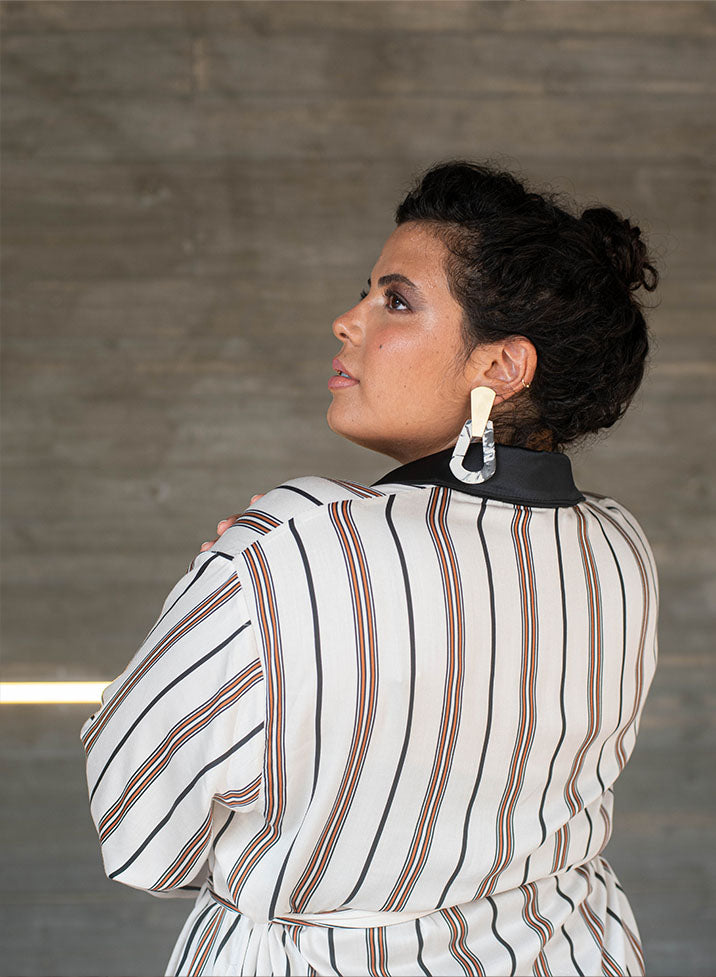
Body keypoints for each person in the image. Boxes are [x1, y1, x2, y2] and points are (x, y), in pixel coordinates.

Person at [82, 160, 660, 977]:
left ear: (501, 367)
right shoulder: (620, 545)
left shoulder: (292, 544)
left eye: (396, 301)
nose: (346, 321)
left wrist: (230, 575)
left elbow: (139, 829)